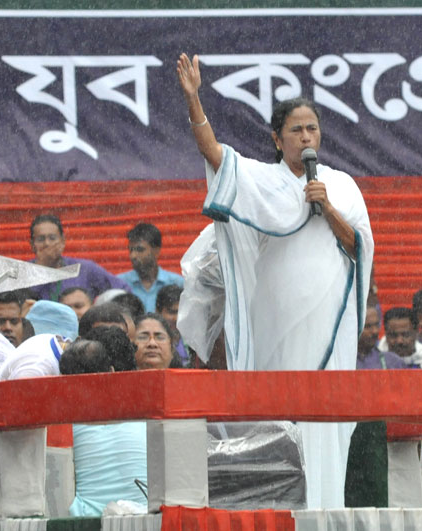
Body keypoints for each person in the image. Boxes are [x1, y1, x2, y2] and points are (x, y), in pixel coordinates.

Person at [177, 54, 373, 508]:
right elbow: (215, 155)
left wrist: (328, 209)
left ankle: (326, 509)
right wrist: (194, 100)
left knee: (325, 419)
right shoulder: (260, 180)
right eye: (296, 130)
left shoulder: (342, 186)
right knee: (279, 415)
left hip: (330, 322)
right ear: (277, 138)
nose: (306, 137)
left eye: (313, 130)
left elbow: (359, 250)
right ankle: (280, 508)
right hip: (275, 320)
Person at [59, 340, 148, 516]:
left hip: (86, 521)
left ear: (63, 381)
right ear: (112, 372)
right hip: (145, 515)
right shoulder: (142, 414)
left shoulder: (62, 426)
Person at [28, 214, 130, 301]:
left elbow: (123, 291)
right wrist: (42, 266)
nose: (47, 244)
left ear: (63, 241)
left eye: (52, 238)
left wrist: (97, 311)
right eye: (41, 239)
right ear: (32, 244)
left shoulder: (84, 269)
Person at [118, 223, 184, 313]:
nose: (133, 256)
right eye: (131, 250)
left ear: (156, 251)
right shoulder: (120, 284)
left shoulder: (177, 283)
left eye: (140, 249)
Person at [357, 305, 405, 370]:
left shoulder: (393, 362)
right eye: (367, 326)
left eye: (377, 325)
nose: (375, 331)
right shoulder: (341, 362)